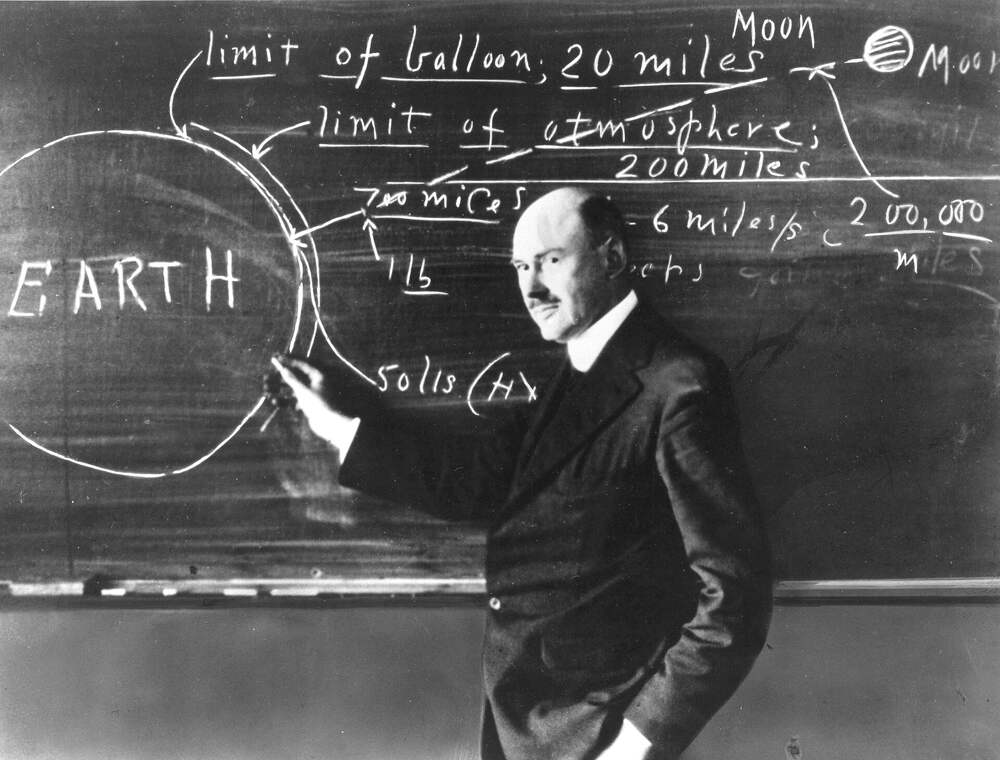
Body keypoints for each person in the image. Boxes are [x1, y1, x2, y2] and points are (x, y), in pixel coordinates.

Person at [273, 187, 772, 760]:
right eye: (520, 267)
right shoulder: (578, 368)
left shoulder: (678, 383)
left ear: (611, 258)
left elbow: (735, 594)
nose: (531, 288)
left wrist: (636, 744)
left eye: (551, 260)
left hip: (595, 731)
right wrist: (338, 426)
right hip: (533, 726)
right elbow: (478, 482)